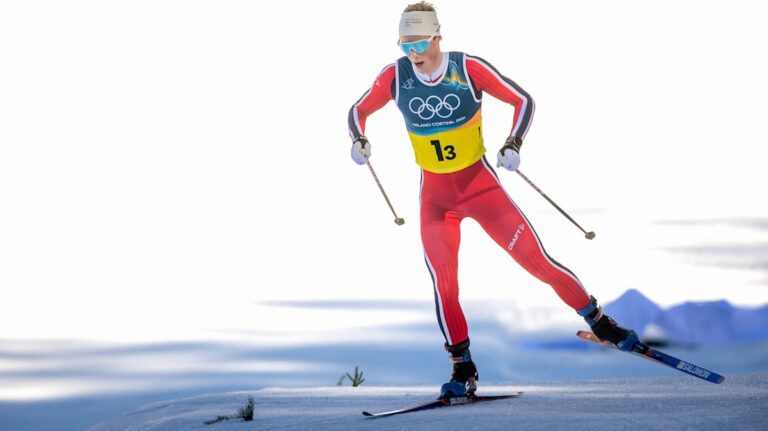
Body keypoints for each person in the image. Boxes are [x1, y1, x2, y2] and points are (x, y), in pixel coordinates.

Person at [347, 1, 638, 399]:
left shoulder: (467, 68)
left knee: (538, 262)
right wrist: (359, 139)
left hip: (481, 189)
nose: (412, 53)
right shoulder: (394, 76)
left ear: (437, 37)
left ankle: (600, 321)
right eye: (405, 45)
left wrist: (513, 143)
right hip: (436, 200)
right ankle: (462, 367)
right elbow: (358, 110)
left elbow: (523, 100)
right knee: (444, 285)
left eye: (419, 44)